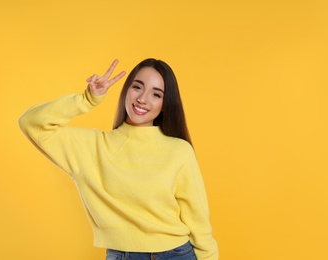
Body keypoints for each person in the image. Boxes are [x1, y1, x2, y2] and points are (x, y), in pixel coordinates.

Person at [19, 59, 219, 259]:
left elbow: (197, 216)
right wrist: (87, 99)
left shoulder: (179, 151)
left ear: (165, 104)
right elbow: (31, 123)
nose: (142, 98)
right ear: (125, 91)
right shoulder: (92, 147)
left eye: (156, 94)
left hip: (177, 254)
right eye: (137, 87)